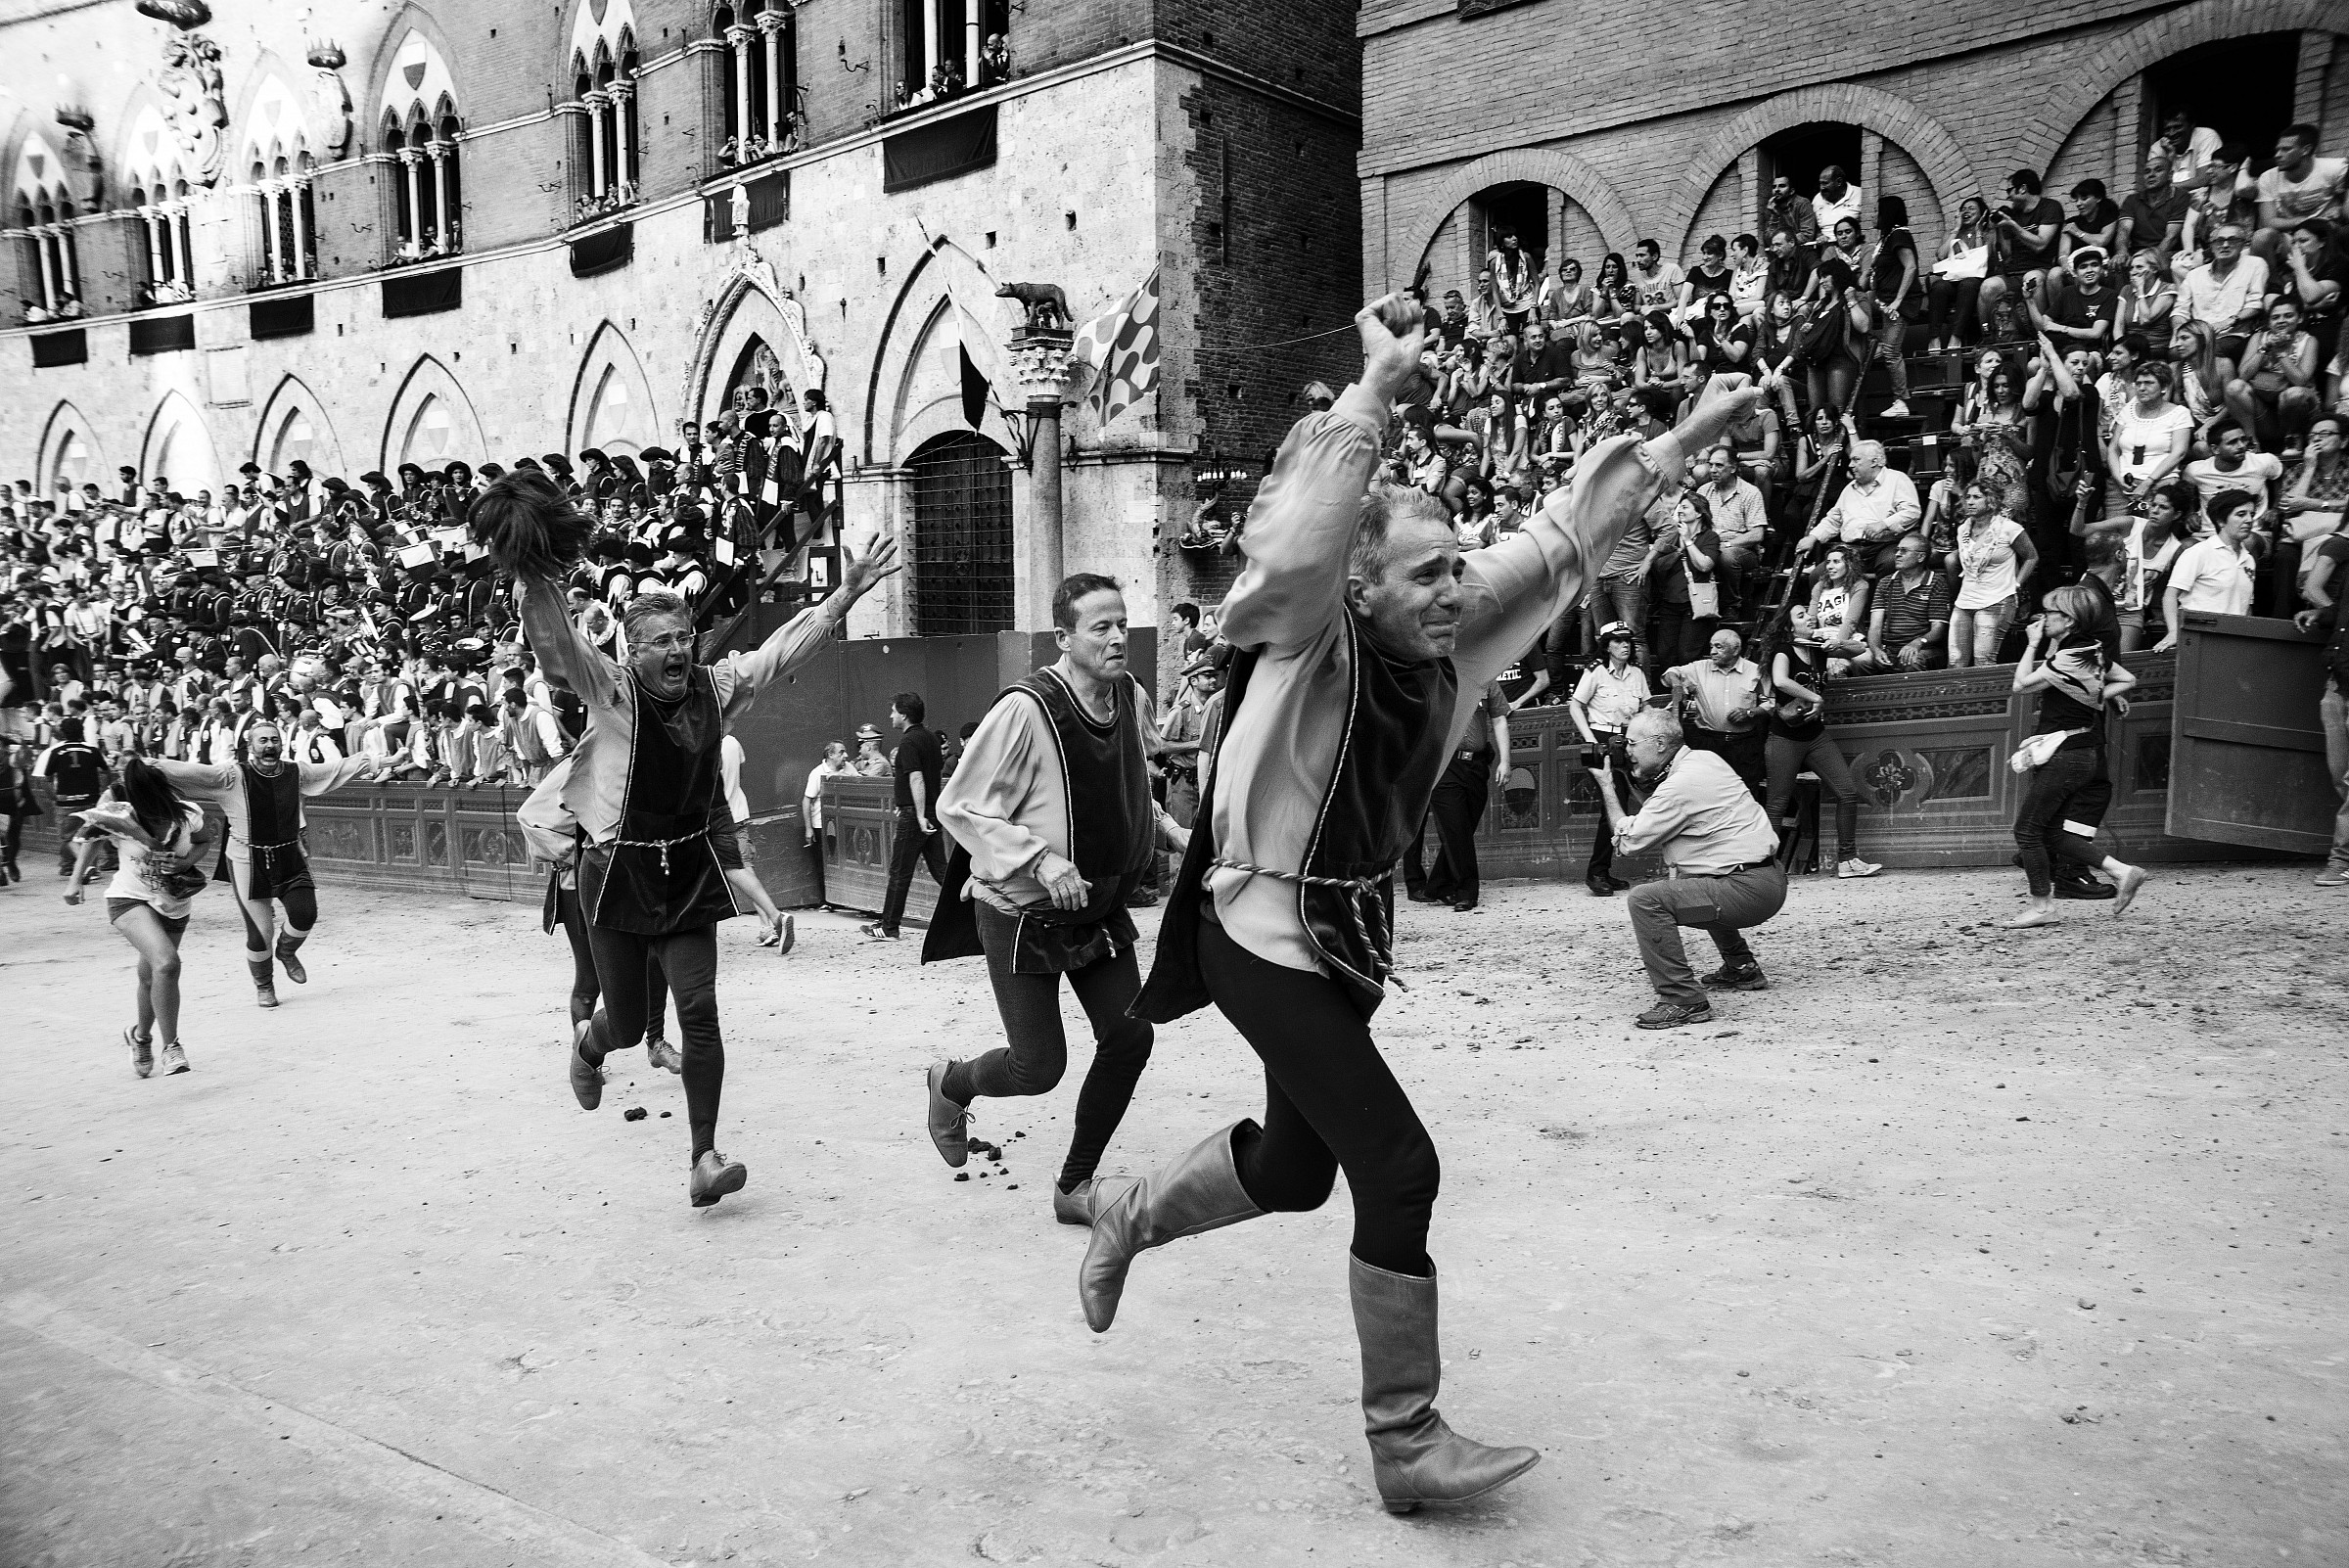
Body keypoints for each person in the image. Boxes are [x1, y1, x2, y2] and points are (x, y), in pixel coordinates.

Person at [1085, 297, 1764, 1516]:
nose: (1453, 593)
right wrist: (1373, 399)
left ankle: (1133, 1207)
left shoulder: (1450, 635)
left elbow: (1563, 537)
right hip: (1251, 929)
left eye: (1457, 569)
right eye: (1424, 574)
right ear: (1362, 581)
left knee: (1296, 1171)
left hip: (1339, 939)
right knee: (1399, 1169)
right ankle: (1405, 1442)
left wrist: (1680, 447)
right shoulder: (1309, 637)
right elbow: (1294, 554)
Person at [485, 468, 898, 1209]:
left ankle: (704, 1157)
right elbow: (557, 646)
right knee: (631, 1019)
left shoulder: (716, 685)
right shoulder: (610, 691)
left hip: (686, 875)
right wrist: (535, 577)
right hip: (612, 872)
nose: (677, 649)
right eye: (660, 642)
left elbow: (782, 651)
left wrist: (848, 593)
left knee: (699, 1012)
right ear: (633, 653)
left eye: (684, 636)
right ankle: (590, 1045)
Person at [919, 573, 1186, 1223]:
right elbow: (957, 804)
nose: (1119, 637)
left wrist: (1178, 834)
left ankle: (1074, 1187)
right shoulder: (1026, 709)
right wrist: (1038, 858)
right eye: (1102, 627)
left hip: (1094, 910)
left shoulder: (1129, 696)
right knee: (1039, 1067)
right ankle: (950, 1084)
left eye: (1122, 623)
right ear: (1065, 638)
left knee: (1130, 1038)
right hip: (1020, 912)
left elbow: (1130, 791)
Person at [147, 718, 386, 1007]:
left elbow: (336, 768)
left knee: (305, 914)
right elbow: (191, 771)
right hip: (247, 858)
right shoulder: (231, 776)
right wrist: (149, 764)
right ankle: (264, 984)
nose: (269, 746)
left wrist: (377, 759)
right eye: (263, 741)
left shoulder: (296, 772)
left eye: (274, 740)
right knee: (261, 932)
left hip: (288, 855)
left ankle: (286, 952)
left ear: (281, 745)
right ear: (251, 747)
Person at [1599, 707, 1788, 1028]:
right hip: (1767, 878)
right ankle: (1741, 967)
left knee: (1645, 899)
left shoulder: (1680, 786)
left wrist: (1607, 786)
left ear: (1659, 744)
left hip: (1748, 891)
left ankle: (1683, 999)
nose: (1625, 750)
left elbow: (1629, 843)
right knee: (1695, 877)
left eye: (1631, 743)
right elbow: (1660, 810)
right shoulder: (1704, 759)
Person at [2006, 585, 2150, 926]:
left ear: (2068, 619)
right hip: (2081, 750)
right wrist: (2099, 698)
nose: (2042, 619)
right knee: (2053, 833)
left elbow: (2021, 684)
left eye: (2049, 614)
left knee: (2027, 831)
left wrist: (2031, 643)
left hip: (2067, 755)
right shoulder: (2091, 649)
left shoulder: (2068, 657)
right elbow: (2127, 679)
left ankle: (2043, 906)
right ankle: (2123, 872)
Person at [62, 757, 215, 1077]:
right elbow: (91, 840)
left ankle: (140, 1036)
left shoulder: (187, 814)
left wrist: (187, 863)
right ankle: (171, 1047)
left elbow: (204, 841)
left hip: (174, 902)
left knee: (154, 976)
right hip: (127, 898)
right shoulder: (118, 816)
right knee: (167, 962)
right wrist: (76, 880)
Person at [1763, 608, 1880, 879]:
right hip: (1785, 736)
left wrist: (1837, 643)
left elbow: (1860, 649)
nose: (1810, 617)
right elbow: (1781, 681)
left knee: (1847, 793)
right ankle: (1763, 867)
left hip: (1815, 736)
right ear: (1790, 626)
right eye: (1801, 615)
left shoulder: (1817, 648)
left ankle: (1848, 860)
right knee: (1777, 804)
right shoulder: (1785, 649)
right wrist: (1815, 698)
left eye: (1809, 613)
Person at [1403, 678, 1509, 911]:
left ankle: (1440, 885)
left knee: (1463, 828)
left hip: (1478, 764)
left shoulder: (1486, 678)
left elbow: (1499, 718)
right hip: (1445, 764)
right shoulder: (1436, 678)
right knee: (1455, 829)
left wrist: (1506, 761)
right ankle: (1466, 891)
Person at [861, 691, 950, 941]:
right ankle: (976, 915)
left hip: (916, 816)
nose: (891, 715)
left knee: (900, 871)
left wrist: (918, 814)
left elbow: (915, 777)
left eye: (893, 711)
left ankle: (889, 926)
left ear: (904, 714)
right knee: (942, 872)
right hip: (930, 812)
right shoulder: (931, 739)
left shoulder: (909, 742)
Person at [1571, 622, 1651, 897]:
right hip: (1603, 739)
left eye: (1628, 640)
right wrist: (1589, 739)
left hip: (1630, 741)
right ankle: (1596, 873)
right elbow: (1576, 705)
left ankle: (1604, 870)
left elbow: (1646, 706)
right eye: (1617, 641)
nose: (1625, 645)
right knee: (1611, 806)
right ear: (1606, 646)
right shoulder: (1596, 672)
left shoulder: (1637, 673)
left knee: (1628, 804)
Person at [1662, 626, 1767, 798]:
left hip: (1743, 745)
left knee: (1746, 793)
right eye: (1711, 647)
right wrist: (1676, 683)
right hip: (1708, 742)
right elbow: (1671, 672)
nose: (1712, 652)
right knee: (1706, 793)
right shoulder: (1699, 668)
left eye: (1719, 647)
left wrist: (1750, 712)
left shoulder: (1755, 671)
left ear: (1735, 650)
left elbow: (1770, 703)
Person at [2157, 488, 2262, 648]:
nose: (2249, 520)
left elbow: (2246, 607)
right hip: (2198, 640)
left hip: (2233, 642)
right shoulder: (2199, 552)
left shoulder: (2248, 560)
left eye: (2251, 514)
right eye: (2241, 514)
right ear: (2221, 521)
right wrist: (2173, 631)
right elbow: (2170, 595)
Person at [1849, 531, 1952, 672]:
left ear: (1921, 557)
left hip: (1924, 648)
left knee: (1912, 660)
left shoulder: (1936, 582)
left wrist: (1917, 643)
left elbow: (1938, 629)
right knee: (1861, 660)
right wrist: (1876, 649)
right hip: (1889, 648)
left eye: (1904, 551)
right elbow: (1875, 627)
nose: (1897, 554)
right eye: (1897, 550)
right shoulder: (1885, 583)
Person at [32, 715, 110, 876]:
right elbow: (105, 771)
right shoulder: (92, 750)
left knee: (68, 838)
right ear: (81, 731)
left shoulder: (57, 752)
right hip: (91, 800)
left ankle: (86, 867)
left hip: (67, 802)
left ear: (63, 733)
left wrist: (54, 797)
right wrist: (102, 790)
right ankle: (92, 869)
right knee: (90, 836)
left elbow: (46, 778)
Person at [801, 739, 854, 905]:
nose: (845, 755)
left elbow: (858, 779)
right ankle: (827, 901)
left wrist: (839, 775)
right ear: (830, 755)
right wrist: (809, 829)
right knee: (824, 864)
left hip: (844, 826)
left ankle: (845, 899)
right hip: (822, 826)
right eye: (841, 752)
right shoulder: (817, 773)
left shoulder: (848, 767)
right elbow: (806, 801)